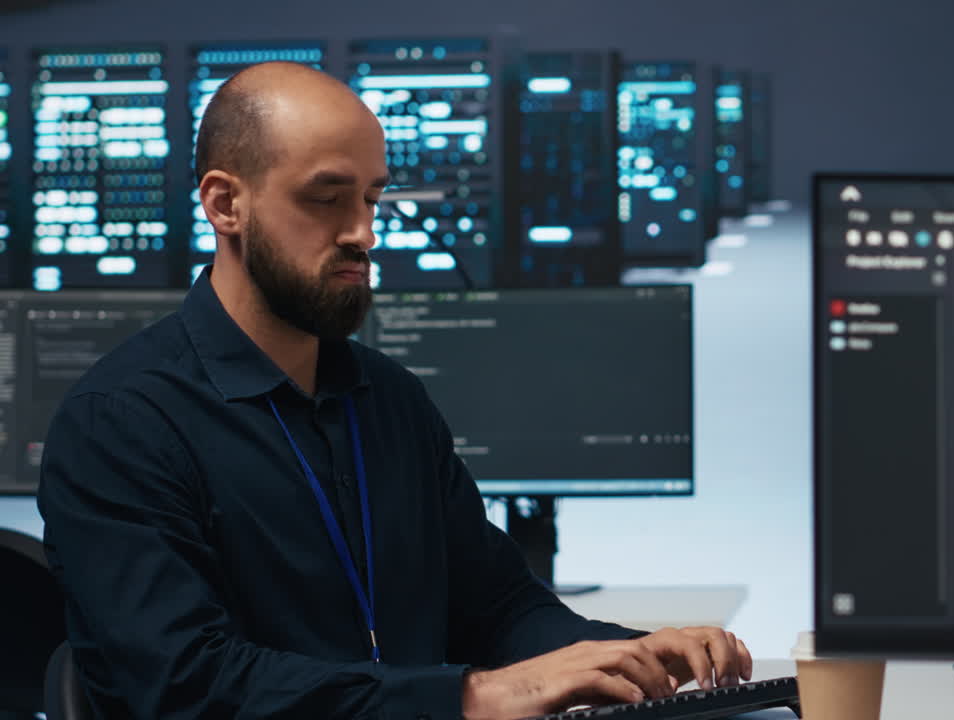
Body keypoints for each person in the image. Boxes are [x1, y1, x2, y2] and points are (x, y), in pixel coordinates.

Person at [37, 61, 752, 720]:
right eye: (327, 199)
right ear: (227, 205)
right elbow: (188, 684)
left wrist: (628, 658)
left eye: (374, 199)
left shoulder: (388, 400)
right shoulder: (121, 424)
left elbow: (497, 607)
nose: (364, 233)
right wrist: (469, 696)